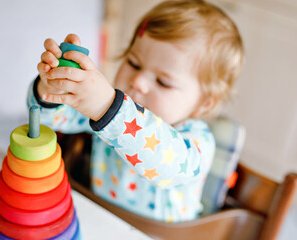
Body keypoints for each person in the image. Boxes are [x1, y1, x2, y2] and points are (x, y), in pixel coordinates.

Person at [27, 0, 244, 222]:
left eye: (162, 81)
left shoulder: (197, 143)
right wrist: (52, 89)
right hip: (98, 220)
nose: (138, 81)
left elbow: (165, 165)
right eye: (133, 63)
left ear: (204, 103)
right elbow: (52, 119)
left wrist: (107, 108)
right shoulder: (110, 113)